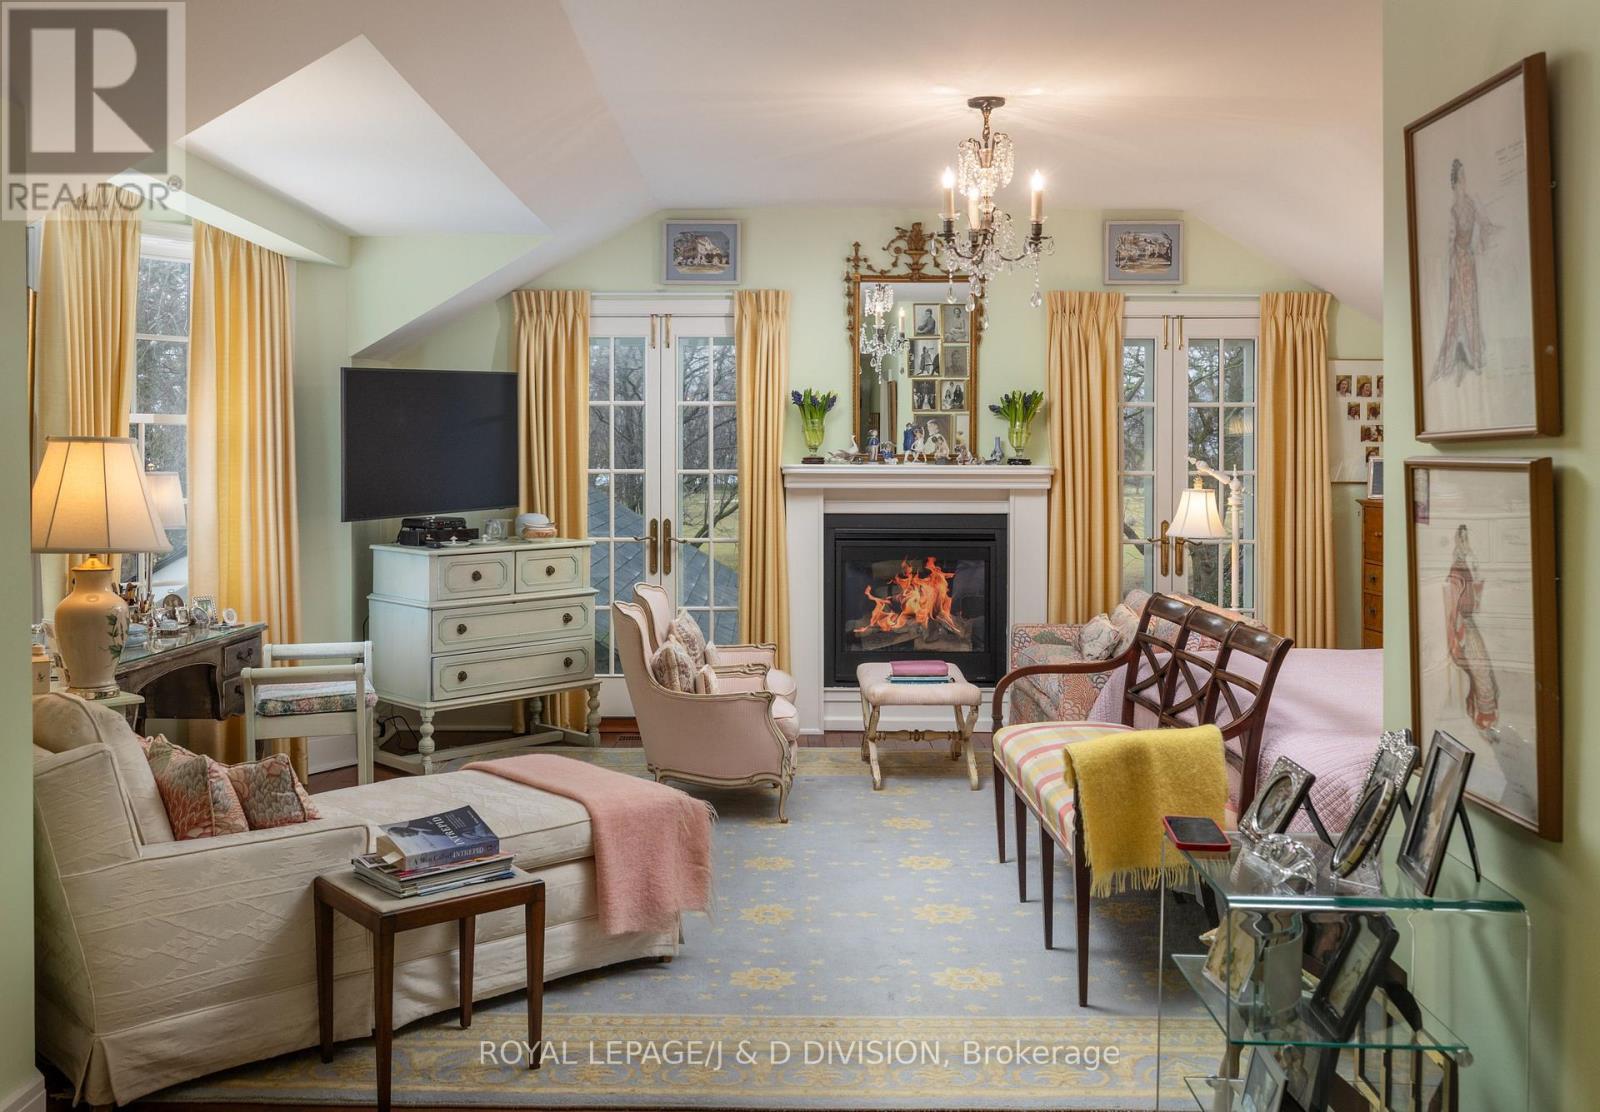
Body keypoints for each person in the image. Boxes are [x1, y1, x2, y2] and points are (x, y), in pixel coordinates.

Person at [1432, 158, 1497, 383]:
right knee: (1456, 309)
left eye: (1465, 177)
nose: (1464, 181)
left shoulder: (1470, 203)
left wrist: (1478, 246)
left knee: (1471, 307)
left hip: (1467, 261)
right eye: (1461, 178)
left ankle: (1475, 356)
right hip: (1459, 264)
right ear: (1455, 183)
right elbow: (1451, 245)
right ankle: (1457, 354)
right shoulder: (1453, 210)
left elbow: (1484, 225)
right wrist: (1452, 272)